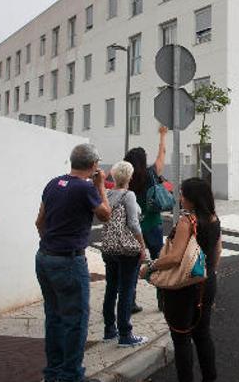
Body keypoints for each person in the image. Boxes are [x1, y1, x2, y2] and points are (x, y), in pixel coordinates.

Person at [35, 144, 111, 382]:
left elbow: (40, 222)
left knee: (54, 317)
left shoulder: (53, 183)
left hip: (45, 256)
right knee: (75, 320)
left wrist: (51, 243)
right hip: (69, 260)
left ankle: (53, 372)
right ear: (94, 164)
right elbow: (105, 214)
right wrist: (100, 186)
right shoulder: (85, 188)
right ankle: (71, 375)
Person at [142, 178, 222, 382]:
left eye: (182, 194)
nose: (180, 198)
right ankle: (210, 378)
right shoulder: (214, 218)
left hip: (183, 287)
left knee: (181, 337)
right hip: (206, 281)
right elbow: (218, 251)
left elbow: (175, 257)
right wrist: (208, 273)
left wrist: (150, 266)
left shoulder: (187, 221)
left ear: (192, 198)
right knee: (203, 333)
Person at [102, 161, 149, 347]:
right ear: (129, 177)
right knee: (126, 291)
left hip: (109, 248)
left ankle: (109, 330)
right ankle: (125, 334)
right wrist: (142, 246)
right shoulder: (128, 195)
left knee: (111, 288)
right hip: (127, 249)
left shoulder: (107, 194)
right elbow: (133, 224)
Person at [125, 125, 168, 312]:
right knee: (158, 261)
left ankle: (131, 301)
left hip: (134, 228)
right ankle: (162, 300)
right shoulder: (151, 173)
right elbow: (162, 154)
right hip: (153, 225)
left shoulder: (126, 177)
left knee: (132, 265)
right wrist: (163, 135)